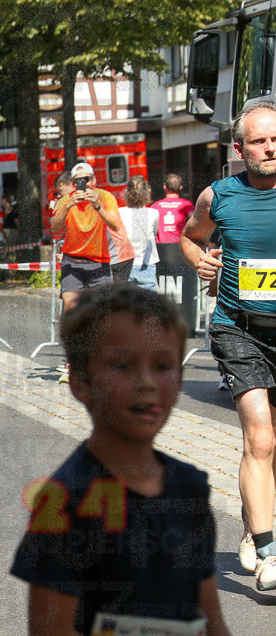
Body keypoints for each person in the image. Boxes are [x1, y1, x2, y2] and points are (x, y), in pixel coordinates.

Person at [10, 283, 228, 636]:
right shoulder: (66, 503)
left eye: (163, 365)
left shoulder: (190, 488)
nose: (147, 383)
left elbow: (211, 619)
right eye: (123, 365)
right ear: (80, 384)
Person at [180, 97, 276, 591]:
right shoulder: (218, 196)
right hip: (238, 326)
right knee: (260, 437)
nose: (270, 147)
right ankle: (269, 551)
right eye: (259, 141)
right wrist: (200, 259)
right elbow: (190, 237)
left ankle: (251, 522)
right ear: (240, 149)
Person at [51, 164, 124, 383]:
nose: (85, 184)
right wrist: (67, 206)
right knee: (71, 311)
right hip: (72, 262)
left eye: (88, 179)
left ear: (95, 180)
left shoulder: (104, 196)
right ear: (73, 184)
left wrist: (97, 206)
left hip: (99, 262)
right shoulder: (67, 200)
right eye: (80, 181)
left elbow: (116, 225)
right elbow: (55, 226)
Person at [118, 176, 159, 291]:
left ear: (127, 192)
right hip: (146, 264)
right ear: (147, 192)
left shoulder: (119, 212)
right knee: (147, 305)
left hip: (124, 264)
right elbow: (154, 233)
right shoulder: (153, 213)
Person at [152, 173, 194, 244]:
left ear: (165, 187)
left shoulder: (155, 206)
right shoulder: (186, 204)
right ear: (181, 188)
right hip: (181, 246)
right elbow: (195, 218)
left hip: (161, 247)